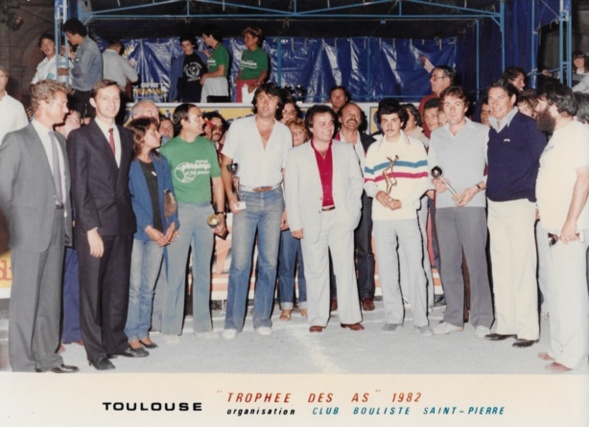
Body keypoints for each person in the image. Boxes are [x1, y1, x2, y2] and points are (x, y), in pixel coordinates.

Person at [0, 79, 77, 373]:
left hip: (57, 226)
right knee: (25, 300)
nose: (66, 109)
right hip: (27, 232)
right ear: (43, 103)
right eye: (61, 103)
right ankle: (23, 364)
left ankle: (48, 357)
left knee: (50, 298)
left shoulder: (59, 140)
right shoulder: (16, 139)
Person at [67, 80, 138, 370]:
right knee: (91, 290)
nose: (112, 103)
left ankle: (115, 342)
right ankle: (95, 351)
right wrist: (90, 229)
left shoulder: (126, 135)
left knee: (117, 287)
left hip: (122, 223)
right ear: (94, 102)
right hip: (95, 226)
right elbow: (79, 188)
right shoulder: (80, 137)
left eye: (116, 98)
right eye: (105, 98)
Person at [220, 82, 292, 339]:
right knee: (240, 263)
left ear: (278, 105)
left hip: (274, 198)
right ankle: (232, 322)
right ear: (256, 101)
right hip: (246, 197)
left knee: (269, 262)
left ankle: (262, 317)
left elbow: (286, 172)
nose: (265, 103)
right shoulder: (239, 127)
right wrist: (230, 197)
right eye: (261, 98)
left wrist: (287, 207)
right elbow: (225, 163)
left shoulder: (284, 132)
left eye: (271, 100)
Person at [285, 104, 364, 333]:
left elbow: (356, 182)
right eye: (321, 123)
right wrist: (296, 223)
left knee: (345, 267)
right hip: (311, 220)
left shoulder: (345, 150)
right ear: (310, 127)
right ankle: (318, 318)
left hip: (340, 217)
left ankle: (350, 316)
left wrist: (351, 210)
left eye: (330, 123)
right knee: (315, 270)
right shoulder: (296, 154)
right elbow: (291, 191)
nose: (328, 128)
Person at [484, 78, 547, 348]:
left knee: (522, 267)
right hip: (495, 206)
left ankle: (527, 330)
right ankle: (506, 323)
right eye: (491, 99)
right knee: (500, 266)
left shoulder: (528, 126)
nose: (495, 103)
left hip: (520, 204)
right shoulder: (493, 129)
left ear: (512, 99)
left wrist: (538, 201)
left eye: (500, 98)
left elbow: (543, 164)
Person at [428, 85, 494, 338]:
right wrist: (435, 182)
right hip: (444, 205)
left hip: (473, 204)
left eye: (457, 104)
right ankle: (454, 317)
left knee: (476, 262)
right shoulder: (438, 135)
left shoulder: (482, 132)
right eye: (447, 105)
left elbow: (493, 171)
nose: (452, 110)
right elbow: (431, 169)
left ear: (466, 106)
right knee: (449, 263)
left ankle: (482, 318)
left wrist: (475, 189)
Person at [160, 104, 226, 340]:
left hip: (204, 211)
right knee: (176, 272)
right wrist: (169, 221)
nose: (203, 121)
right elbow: (164, 190)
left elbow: (217, 183)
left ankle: (203, 325)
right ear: (184, 122)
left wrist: (219, 214)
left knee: (202, 270)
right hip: (181, 212)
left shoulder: (207, 146)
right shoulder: (168, 150)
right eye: (198, 117)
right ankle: (170, 327)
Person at [535, 82, 589, 372]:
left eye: (541, 105)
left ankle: (574, 353)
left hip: (568, 229)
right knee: (554, 291)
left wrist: (571, 221)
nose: (537, 110)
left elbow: (584, 179)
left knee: (570, 292)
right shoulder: (557, 135)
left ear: (555, 106)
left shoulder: (578, 134)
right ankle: (559, 346)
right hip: (551, 225)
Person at [364, 101, 431, 335]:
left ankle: (421, 319)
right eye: (384, 121)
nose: (389, 125)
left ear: (402, 121)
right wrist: (378, 193)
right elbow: (368, 181)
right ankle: (394, 316)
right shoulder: (374, 149)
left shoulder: (416, 146)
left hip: (407, 214)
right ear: (380, 123)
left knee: (415, 266)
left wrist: (404, 202)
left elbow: (424, 180)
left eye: (394, 120)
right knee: (388, 267)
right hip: (381, 217)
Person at [125, 117, 179, 351]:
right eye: (154, 131)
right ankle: (130, 334)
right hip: (139, 234)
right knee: (135, 286)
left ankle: (143, 330)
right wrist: (148, 227)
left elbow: (170, 194)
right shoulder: (127, 164)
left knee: (149, 285)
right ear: (140, 136)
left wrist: (172, 224)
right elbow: (129, 200)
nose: (159, 134)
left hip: (160, 232)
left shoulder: (161, 161)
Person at [335, 102, 376, 311]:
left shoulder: (371, 143)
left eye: (357, 114)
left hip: (365, 200)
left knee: (365, 248)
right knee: (337, 247)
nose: (352, 117)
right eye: (348, 114)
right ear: (340, 118)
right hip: (338, 199)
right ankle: (335, 294)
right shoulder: (331, 141)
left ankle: (366, 293)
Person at [55, 110, 83, 348]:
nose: (77, 123)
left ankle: (73, 330)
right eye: (71, 119)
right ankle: (53, 334)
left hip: (78, 223)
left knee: (75, 276)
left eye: (78, 119)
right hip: (57, 222)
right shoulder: (54, 147)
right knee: (55, 279)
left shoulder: (78, 148)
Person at [277, 118, 308, 320]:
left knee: (307, 261)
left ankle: (306, 302)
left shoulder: (310, 156)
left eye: (299, 132)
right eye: (291, 133)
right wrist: (287, 209)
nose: (295, 137)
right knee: (286, 261)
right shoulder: (281, 157)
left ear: (306, 135)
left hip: (307, 213)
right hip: (286, 212)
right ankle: (286, 305)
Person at [63, 18, 103, 120]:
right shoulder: (84, 46)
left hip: (88, 90)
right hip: (83, 89)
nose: (68, 39)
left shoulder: (89, 47)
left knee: (87, 119)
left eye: (68, 35)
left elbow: (81, 70)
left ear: (76, 34)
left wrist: (69, 71)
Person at [102, 39, 138, 123]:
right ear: (118, 48)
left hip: (100, 92)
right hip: (117, 92)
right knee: (117, 119)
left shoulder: (98, 57)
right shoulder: (120, 59)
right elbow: (135, 78)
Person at [418, 66, 455, 137]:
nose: (431, 80)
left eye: (435, 78)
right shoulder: (426, 101)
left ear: (447, 80)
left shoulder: (456, 101)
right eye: (431, 77)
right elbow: (421, 125)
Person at [168, 35, 207, 103]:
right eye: (183, 46)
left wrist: (210, 57)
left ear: (193, 45)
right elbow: (177, 83)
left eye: (187, 45)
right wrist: (176, 98)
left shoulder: (202, 56)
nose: (185, 48)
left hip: (202, 93)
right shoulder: (178, 62)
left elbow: (212, 69)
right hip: (187, 95)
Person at [235, 26, 269, 103]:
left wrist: (255, 84)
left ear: (255, 39)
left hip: (254, 83)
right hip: (242, 83)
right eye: (244, 37)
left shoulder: (262, 54)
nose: (245, 40)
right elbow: (242, 68)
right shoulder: (245, 53)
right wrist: (238, 79)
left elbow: (264, 73)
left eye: (248, 38)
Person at [200, 25, 230, 102]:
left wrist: (205, 75)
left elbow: (221, 72)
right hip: (211, 83)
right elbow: (216, 63)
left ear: (210, 36)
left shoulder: (221, 50)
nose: (204, 40)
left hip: (218, 84)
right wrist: (209, 56)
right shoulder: (215, 51)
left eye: (204, 38)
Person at [0, 65, 28, 143]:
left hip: (8, 152)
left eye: (1, 76)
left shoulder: (16, 106)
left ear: (6, 80)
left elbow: (23, 135)